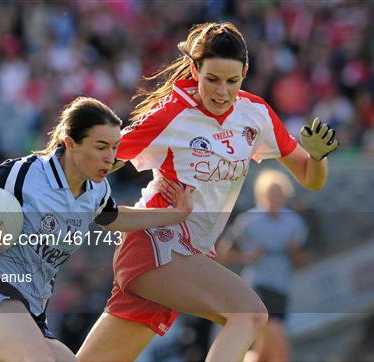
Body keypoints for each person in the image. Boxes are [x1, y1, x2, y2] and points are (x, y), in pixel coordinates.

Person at [77, 22, 339, 362]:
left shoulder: (255, 114)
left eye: (232, 81)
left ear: (244, 73)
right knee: (249, 314)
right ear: (194, 69)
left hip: (187, 254)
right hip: (157, 243)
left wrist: (318, 157)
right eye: (212, 79)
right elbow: (103, 157)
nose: (221, 91)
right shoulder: (172, 113)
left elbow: (311, 178)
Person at [0, 96, 193, 362]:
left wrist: (176, 215)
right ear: (70, 143)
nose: (110, 157)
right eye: (101, 146)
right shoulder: (24, 174)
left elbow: (113, 218)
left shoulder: (97, 190)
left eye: (115, 147)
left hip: (31, 311)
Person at [217, 169, 309, 362]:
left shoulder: (294, 222)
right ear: (261, 195)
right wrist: (248, 256)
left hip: (281, 288)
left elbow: (304, 261)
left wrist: (293, 250)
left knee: (263, 352)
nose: (274, 199)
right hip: (258, 286)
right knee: (278, 341)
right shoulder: (249, 221)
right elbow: (223, 253)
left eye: (278, 193)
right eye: (270, 194)